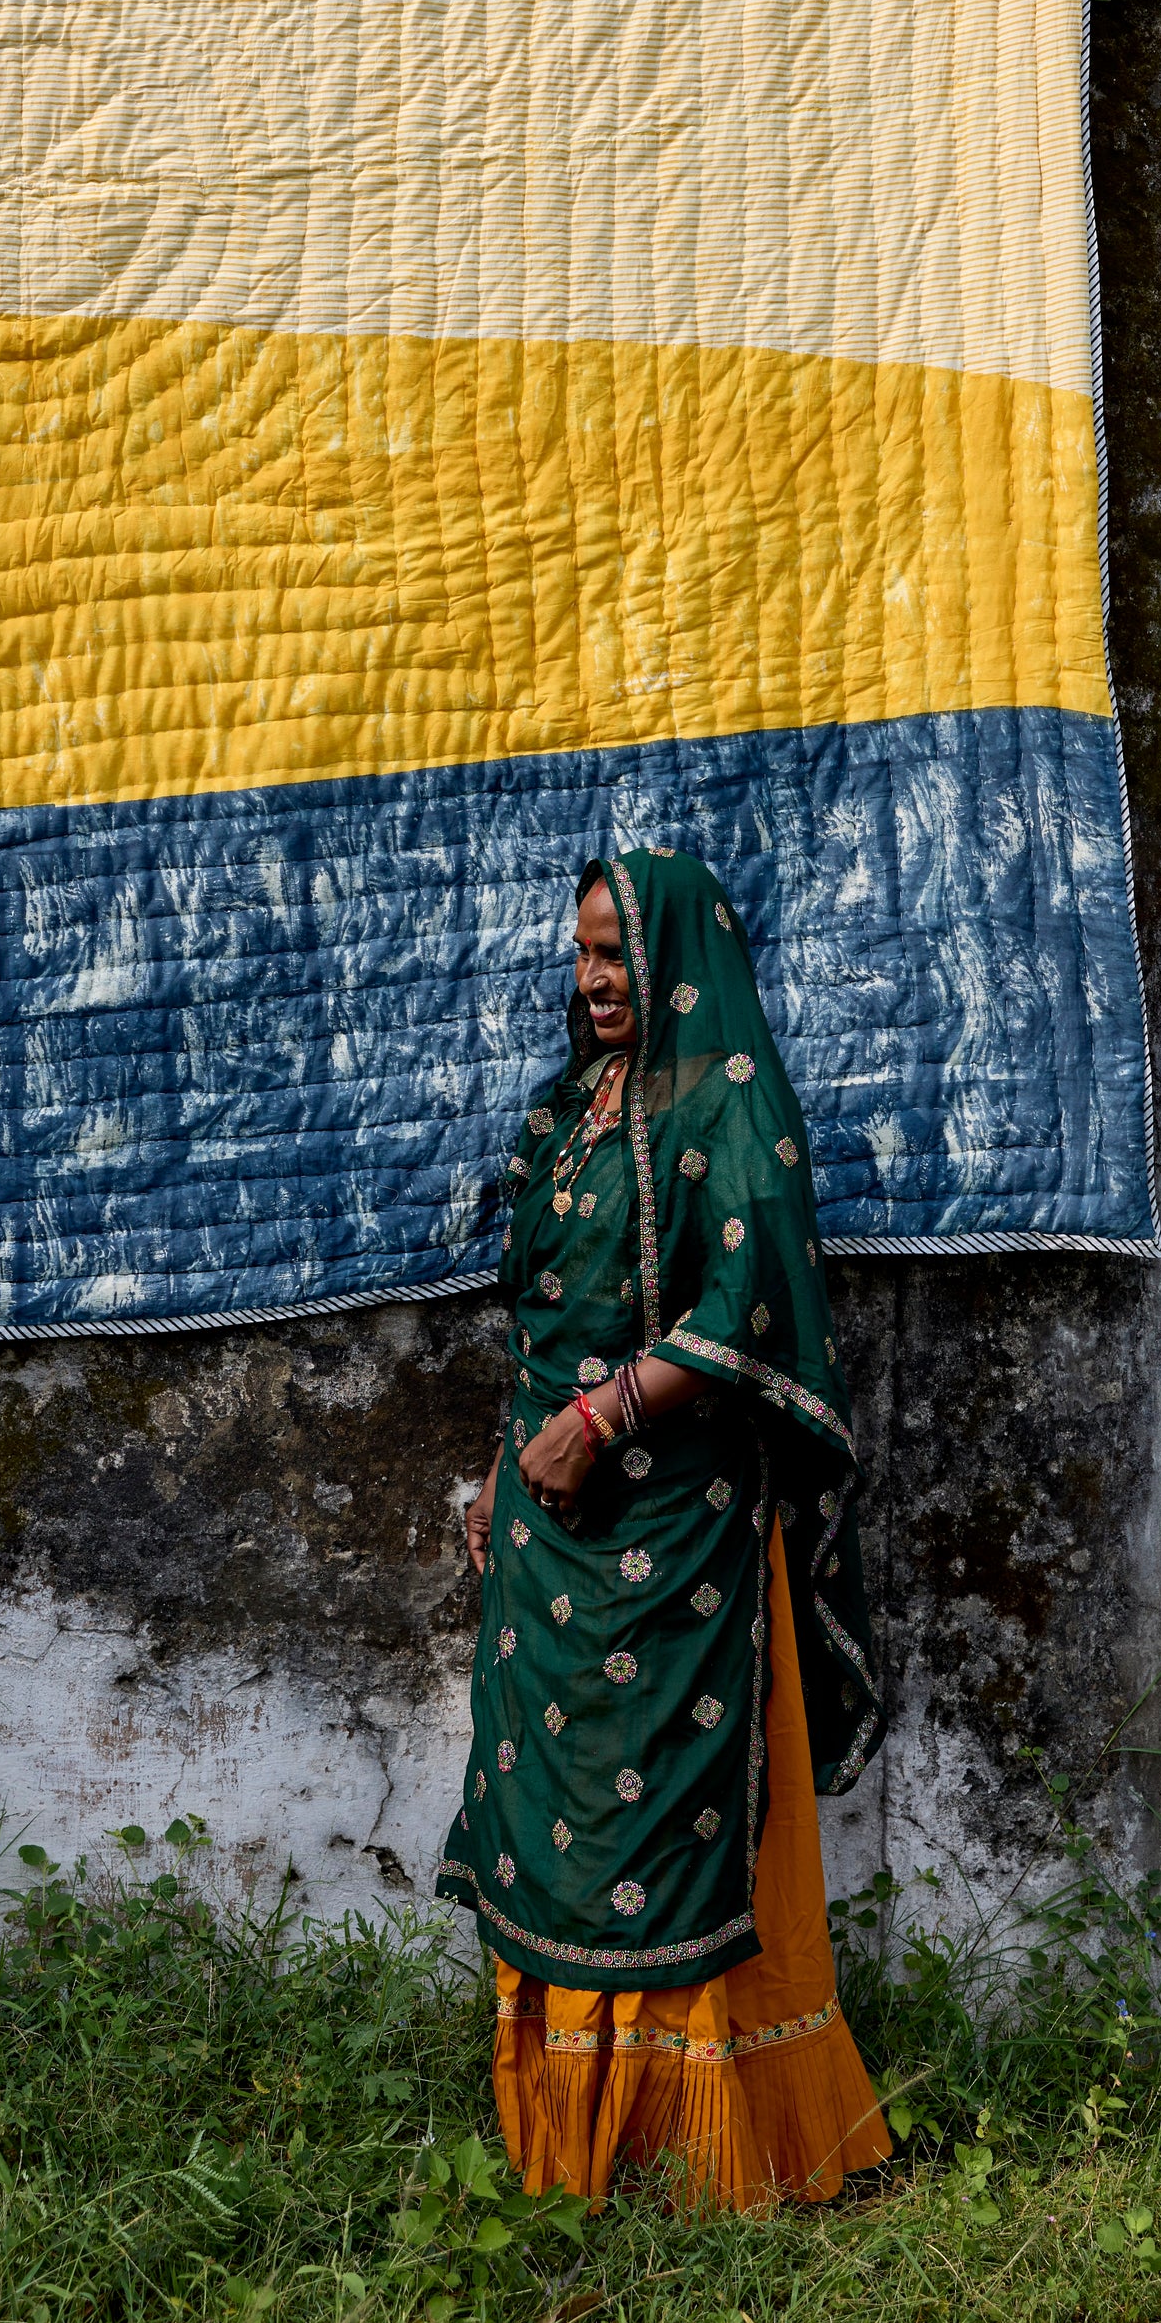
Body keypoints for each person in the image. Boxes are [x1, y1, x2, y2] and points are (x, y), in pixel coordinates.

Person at [436, 845, 890, 2209]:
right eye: (581, 952)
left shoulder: (728, 1103)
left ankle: (690, 2150)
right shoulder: (570, 1107)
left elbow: (750, 1306)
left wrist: (603, 1417)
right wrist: (509, 1464)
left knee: (666, 1834)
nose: (592, 978)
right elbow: (540, 1320)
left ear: (675, 956)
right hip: (549, 1539)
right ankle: (570, 2141)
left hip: (676, 1542)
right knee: (554, 1826)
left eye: (614, 952)